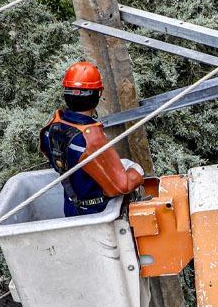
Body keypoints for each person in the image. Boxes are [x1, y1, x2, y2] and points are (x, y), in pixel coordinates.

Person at [39, 61, 144, 217]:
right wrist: (137, 171)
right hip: (97, 213)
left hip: (71, 208)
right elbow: (122, 186)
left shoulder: (51, 128)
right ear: (99, 93)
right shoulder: (91, 139)